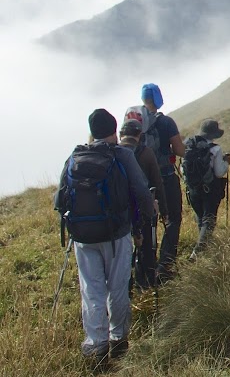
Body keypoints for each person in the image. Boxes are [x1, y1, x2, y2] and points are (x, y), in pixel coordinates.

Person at [54, 109, 157, 369]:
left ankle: (96, 347)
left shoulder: (74, 156)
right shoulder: (122, 155)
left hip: (82, 237)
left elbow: (59, 200)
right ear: (114, 131)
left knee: (92, 290)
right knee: (118, 287)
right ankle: (118, 341)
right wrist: (147, 217)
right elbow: (142, 192)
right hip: (116, 234)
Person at [139, 83, 184, 282]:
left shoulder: (136, 122)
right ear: (158, 98)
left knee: (147, 224)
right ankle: (165, 265)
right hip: (165, 177)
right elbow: (180, 149)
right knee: (172, 219)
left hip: (142, 181)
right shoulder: (166, 122)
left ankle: (146, 269)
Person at [117, 118, 165, 290]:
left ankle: (126, 284)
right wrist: (162, 210)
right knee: (146, 246)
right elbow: (157, 182)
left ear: (121, 134)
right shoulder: (146, 153)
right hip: (143, 207)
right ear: (140, 135)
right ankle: (145, 281)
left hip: (119, 210)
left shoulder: (114, 153)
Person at [184, 120, 230, 252]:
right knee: (209, 221)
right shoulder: (215, 149)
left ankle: (204, 250)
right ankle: (198, 252)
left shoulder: (189, 146)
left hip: (192, 189)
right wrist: (226, 162)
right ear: (213, 134)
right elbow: (219, 172)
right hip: (210, 189)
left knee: (201, 219)